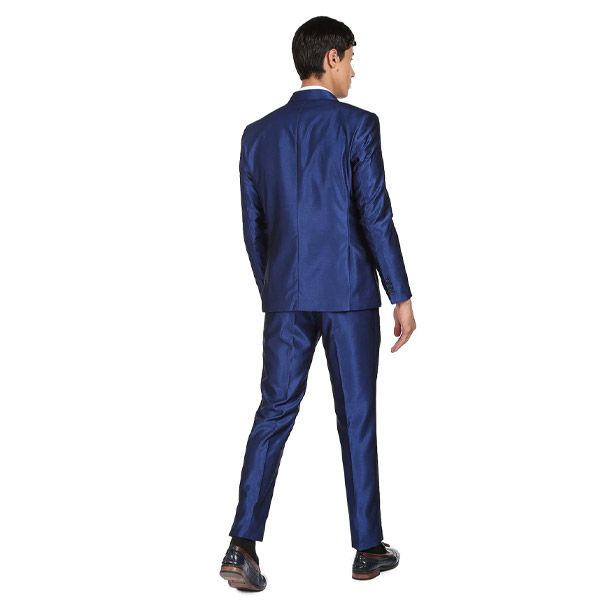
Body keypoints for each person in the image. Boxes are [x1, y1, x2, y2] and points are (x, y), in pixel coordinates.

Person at [219, 16, 416, 590]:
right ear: (330, 58)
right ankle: (367, 549)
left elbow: (253, 228)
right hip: (350, 295)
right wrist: (400, 293)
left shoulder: (257, 134)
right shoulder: (358, 125)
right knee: (356, 416)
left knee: (273, 412)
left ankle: (241, 546)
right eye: (351, 58)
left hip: (286, 297)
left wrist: (276, 289)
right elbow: (375, 214)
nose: (354, 70)